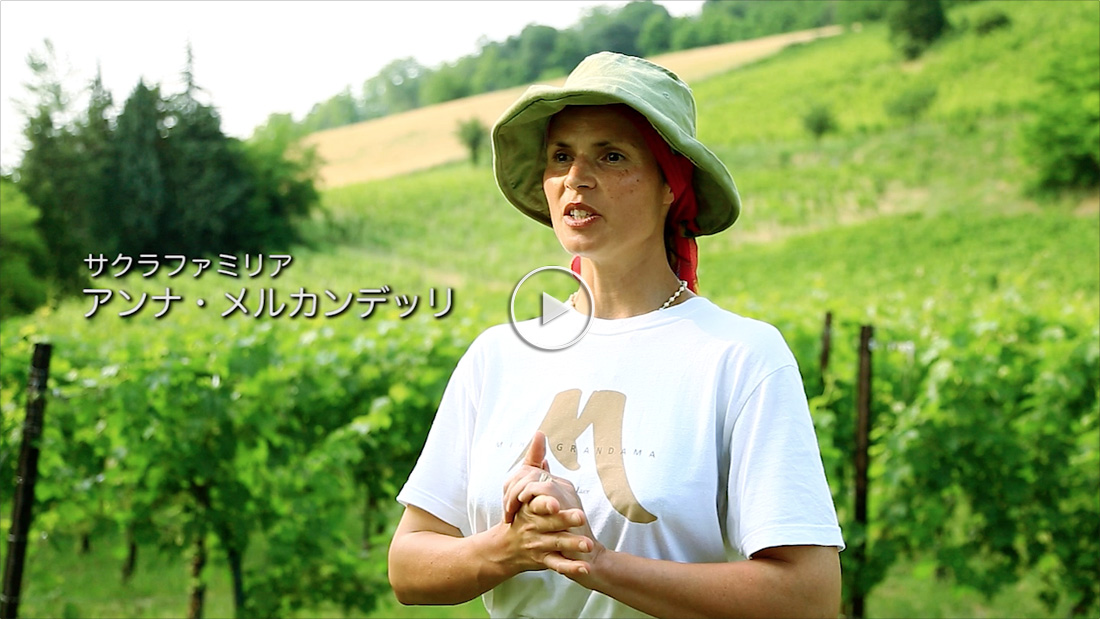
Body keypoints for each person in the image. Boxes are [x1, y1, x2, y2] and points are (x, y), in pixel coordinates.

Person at [388, 51, 844, 618]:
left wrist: (595, 562)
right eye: (561, 156)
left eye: (611, 155)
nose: (576, 177)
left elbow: (808, 596)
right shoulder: (499, 354)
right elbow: (408, 565)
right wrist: (511, 547)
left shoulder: (738, 357)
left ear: (670, 184)